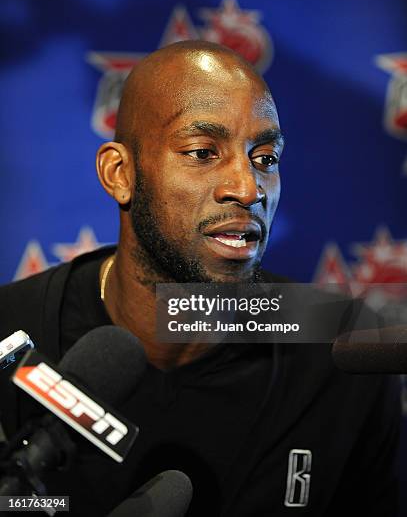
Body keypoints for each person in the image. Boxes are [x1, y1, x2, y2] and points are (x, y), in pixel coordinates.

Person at [0, 41, 401, 516]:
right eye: (202, 151)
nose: (248, 188)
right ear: (119, 174)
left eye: (266, 158)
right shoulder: (11, 328)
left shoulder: (342, 347)